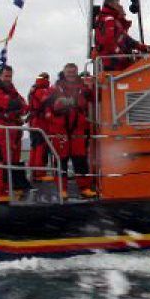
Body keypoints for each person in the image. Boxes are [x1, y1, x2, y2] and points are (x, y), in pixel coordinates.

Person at [48, 62, 96, 199]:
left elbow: (93, 98)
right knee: (61, 160)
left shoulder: (82, 87)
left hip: (78, 129)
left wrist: (89, 88)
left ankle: (84, 187)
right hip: (60, 129)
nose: (71, 74)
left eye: (73, 72)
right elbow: (48, 106)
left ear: (76, 73)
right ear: (64, 72)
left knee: (80, 159)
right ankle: (62, 190)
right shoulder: (55, 88)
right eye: (68, 72)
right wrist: (61, 103)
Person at [0, 65, 27, 203]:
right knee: (3, 161)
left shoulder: (11, 89)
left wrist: (18, 106)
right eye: (6, 76)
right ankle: (1, 191)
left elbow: (23, 104)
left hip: (14, 128)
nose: (8, 79)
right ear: (0, 76)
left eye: (10, 76)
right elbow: (10, 104)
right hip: (3, 129)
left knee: (15, 159)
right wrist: (18, 106)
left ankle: (16, 186)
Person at [93, 0, 150, 71]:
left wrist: (146, 48)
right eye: (118, 4)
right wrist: (121, 54)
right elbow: (108, 41)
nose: (120, 6)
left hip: (117, 62)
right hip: (113, 63)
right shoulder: (108, 19)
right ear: (111, 5)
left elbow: (128, 41)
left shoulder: (114, 21)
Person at [26, 72, 54, 182]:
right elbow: (50, 103)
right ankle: (39, 173)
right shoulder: (42, 91)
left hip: (33, 122)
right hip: (40, 123)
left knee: (34, 148)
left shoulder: (33, 90)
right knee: (41, 148)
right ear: (46, 79)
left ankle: (34, 172)